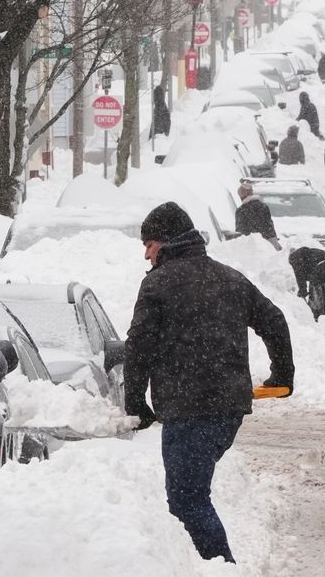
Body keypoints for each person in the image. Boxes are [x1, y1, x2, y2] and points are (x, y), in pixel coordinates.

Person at [124, 202, 295, 564]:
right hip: (228, 410)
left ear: (165, 242)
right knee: (190, 495)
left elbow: (139, 347)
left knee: (187, 499)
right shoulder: (230, 278)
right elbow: (274, 321)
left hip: (189, 411)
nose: (146, 254)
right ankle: (199, 565)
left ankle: (222, 566)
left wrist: (135, 402)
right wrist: (282, 374)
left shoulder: (157, 285)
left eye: (149, 244)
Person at [289, 246, 325, 320]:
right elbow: (302, 274)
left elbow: (299, 274)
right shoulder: (308, 255)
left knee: (315, 294)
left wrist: (302, 290)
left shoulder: (294, 257)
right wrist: (302, 289)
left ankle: (315, 318)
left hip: (324, 267)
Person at [235, 182, 282, 250]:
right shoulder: (263, 206)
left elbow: (241, 231)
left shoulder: (241, 211)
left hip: (254, 246)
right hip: (270, 243)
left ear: (242, 196)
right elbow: (269, 225)